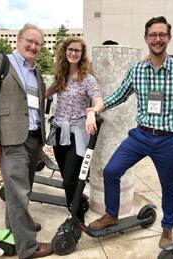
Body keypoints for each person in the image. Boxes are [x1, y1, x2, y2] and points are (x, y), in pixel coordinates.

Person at [88, 16, 173, 249]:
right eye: (153, 35)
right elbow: (119, 95)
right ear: (146, 38)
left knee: (169, 186)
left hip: (168, 140)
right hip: (140, 135)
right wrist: (96, 108)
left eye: (162, 34)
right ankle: (111, 213)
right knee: (111, 171)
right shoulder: (137, 69)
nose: (157, 39)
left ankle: (168, 226)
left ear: (169, 38)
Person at [0, 24, 53, 258]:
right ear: (18, 40)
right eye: (30, 41)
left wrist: (40, 145)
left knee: (20, 191)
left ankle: (17, 229)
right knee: (18, 193)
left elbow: (37, 110)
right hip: (10, 141)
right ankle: (27, 247)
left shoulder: (36, 73)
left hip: (32, 139)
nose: (34, 46)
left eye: (38, 43)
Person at [45, 37, 103, 222]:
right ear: (65, 51)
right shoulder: (61, 77)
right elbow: (45, 93)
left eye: (77, 50)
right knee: (66, 178)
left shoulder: (88, 79)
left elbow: (98, 101)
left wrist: (93, 112)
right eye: (70, 49)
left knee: (71, 179)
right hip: (59, 132)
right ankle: (78, 202)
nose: (73, 53)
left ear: (81, 54)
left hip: (77, 133)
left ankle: (76, 218)